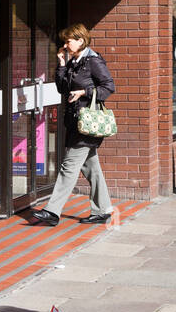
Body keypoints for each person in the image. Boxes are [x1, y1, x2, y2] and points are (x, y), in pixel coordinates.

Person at [33, 24, 115, 227]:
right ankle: (102, 209)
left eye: (69, 40)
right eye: (65, 40)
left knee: (68, 167)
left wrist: (85, 92)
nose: (66, 44)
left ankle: (52, 211)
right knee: (91, 167)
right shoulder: (74, 62)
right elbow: (62, 88)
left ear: (81, 40)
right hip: (75, 121)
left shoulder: (93, 61)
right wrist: (61, 64)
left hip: (88, 122)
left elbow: (109, 86)